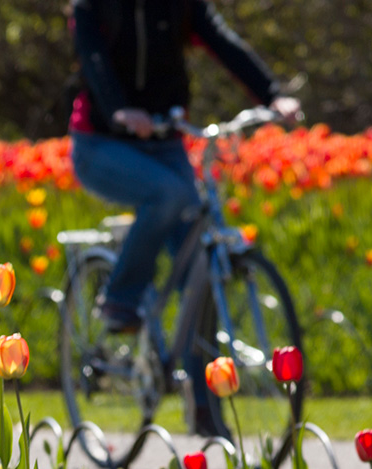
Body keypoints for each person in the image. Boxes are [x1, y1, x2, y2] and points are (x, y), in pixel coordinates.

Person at [68, 0, 300, 436]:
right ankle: (121, 296)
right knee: (169, 195)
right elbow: (93, 58)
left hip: (166, 142)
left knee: (200, 267)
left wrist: (273, 94)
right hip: (101, 144)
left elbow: (225, 44)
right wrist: (119, 108)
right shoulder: (93, 6)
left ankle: (203, 402)